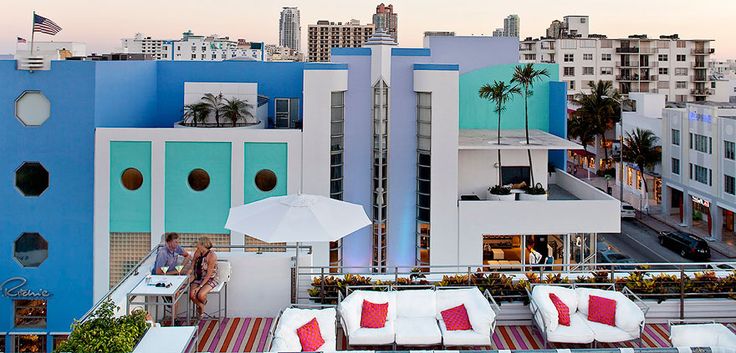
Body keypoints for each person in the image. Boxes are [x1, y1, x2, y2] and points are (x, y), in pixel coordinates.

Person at [190, 236, 219, 319]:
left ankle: (200, 309)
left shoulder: (212, 256)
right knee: (192, 294)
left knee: (200, 295)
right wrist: (190, 271)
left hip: (210, 278)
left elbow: (209, 274)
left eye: (198, 243)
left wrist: (200, 287)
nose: (196, 245)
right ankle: (201, 306)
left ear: (203, 245)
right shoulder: (197, 252)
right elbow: (192, 264)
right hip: (198, 277)